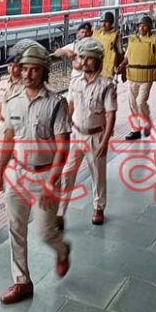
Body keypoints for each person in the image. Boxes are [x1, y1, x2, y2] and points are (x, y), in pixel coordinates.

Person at [0, 41, 71, 304]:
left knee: (45, 232)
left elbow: (63, 148)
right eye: (24, 69)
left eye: (34, 70)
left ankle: (61, 250)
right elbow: (7, 141)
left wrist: (51, 183)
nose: (27, 74)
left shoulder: (56, 103)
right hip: (17, 174)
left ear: (44, 72)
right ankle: (22, 282)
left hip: (45, 177)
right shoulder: (12, 102)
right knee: (15, 229)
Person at [57, 37, 117, 229]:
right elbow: (70, 106)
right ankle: (60, 213)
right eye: (82, 57)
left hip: (96, 136)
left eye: (89, 58)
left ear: (98, 61)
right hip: (76, 134)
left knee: (97, 174)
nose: (84, 62)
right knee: (67, 174)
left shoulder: (106, 86)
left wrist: (105, 141)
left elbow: (110, 115)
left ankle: (98, 207)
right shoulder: (75, 82)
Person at [117, 15, 156, 139]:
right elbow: (127, 57)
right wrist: (122, 66)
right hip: (133, 75)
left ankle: (146, 123)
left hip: (147, 76)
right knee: (132, 103)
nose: (141, 28)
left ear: (149, 27)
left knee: (140, 101)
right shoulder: (133, 40)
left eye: (144, 26)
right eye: (139, 26)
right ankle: (136, 129)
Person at [92, 12, 124, 81]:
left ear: (111, 23)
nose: (103, 24)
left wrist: (121, 68)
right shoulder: (95, 34)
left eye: (106, 22)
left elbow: (120, 52)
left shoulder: (116, 36)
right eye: (102, 22)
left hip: (108, 70)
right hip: (94, 69)